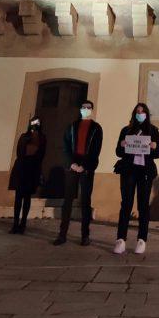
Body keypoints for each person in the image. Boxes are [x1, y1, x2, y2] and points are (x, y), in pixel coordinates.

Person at [112, 103, 159, 254]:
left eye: (142, 112)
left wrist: (154, 147)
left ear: (147, 114)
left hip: (145, 172)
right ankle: (121, 239)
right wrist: (122, 145)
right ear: (134, 114)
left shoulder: (153, 130)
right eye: (137, 112)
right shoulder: (126, 130)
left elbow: (158, 153)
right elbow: (118, 152)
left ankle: (142, 239)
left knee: (143, 205)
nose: (140, 114)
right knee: (126, 204)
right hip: (129, 171)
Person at [54, 99, 103, 246]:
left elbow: (96, 150)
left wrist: (85, 166)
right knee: (67, 200)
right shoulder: (72, 126)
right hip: (72, 166)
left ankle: (85, 235)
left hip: (86, 168)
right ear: (80, 109)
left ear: (92, 110)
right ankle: (62, 234)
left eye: (88, 107)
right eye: (84, 107)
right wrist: (72, 164)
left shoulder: (96, 128)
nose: (86, 109)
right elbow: (66, 147)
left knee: (86, 202)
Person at [8, 115, 46, 234]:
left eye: (37, 122)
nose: (35, 124)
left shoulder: (42, 138)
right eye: (33, 122)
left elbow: (41, 154)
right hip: (21, 168)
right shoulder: (24, 136)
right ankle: (15, 224)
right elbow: (19, 151)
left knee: (27, 197)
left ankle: (23, 223)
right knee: (18, 197)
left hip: (32, 169)